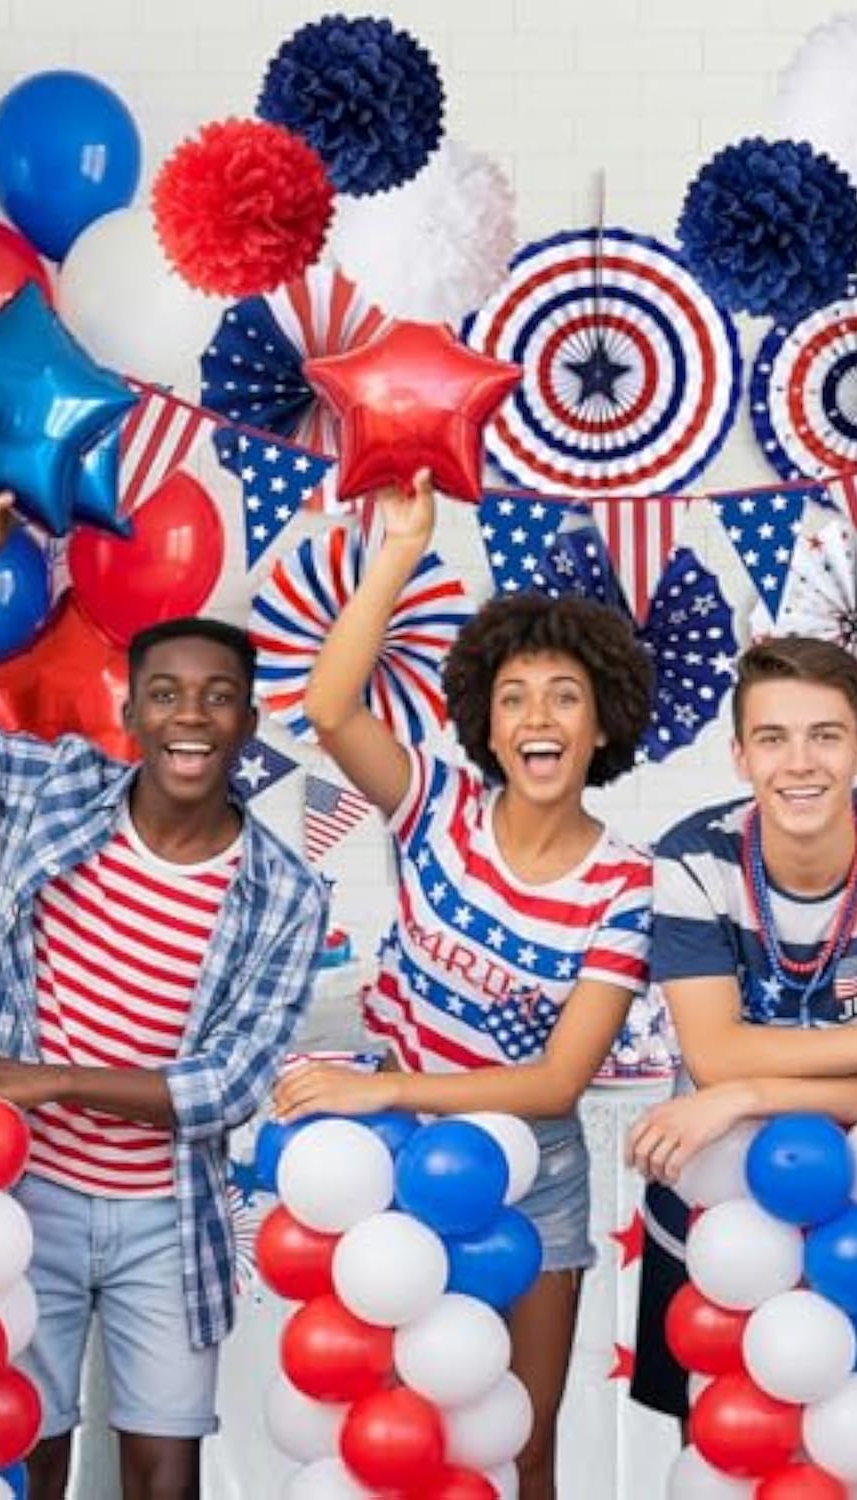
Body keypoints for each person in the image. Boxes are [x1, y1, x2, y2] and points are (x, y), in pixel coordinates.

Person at [0, 496, 328, 1500]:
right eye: (166, 694)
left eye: (215, 698)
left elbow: (225, 1088)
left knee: (165, 1473)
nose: (190, 717)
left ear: (247, 720)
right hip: (19, 1201)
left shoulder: (288, 890)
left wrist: (42, 1079)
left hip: (168, 1214)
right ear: (132, 711)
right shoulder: (56, 793)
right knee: (22, 1445)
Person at [270, 472, 655, 1500]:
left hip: (537, 1170)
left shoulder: (628, 884)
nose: (538, 716)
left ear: (602, 728)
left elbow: (555, 1084)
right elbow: (328, 705)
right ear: (483, 726)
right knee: (395, 1429)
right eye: (515, 696)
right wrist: (396, 553)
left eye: (566, 697)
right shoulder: (433, 806)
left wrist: (381, 1088)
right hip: (395, 1165)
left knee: (519, 1440)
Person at [625, 634, 857, 1421]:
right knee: (725, 1438)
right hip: (720, 1197)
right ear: (739, 756)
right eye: (773, 738)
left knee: (851, 1436)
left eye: (825, 736)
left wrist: (746, 1090)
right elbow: (715, 1052)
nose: (800, 763)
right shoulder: (694, 857)